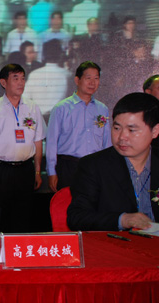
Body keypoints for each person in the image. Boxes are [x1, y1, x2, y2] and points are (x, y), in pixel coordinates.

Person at [67, 93, 159, 231]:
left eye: (131, 130)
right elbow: (77, 217)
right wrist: (122, 220)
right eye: (117, 128)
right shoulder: (93, 166)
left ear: (155, 131)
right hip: (116, 241)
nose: (122, 137)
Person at [0, 63, 46, 232]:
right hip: (0, 169)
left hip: (25, 169)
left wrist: (37, 171)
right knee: (1, 214)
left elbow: (38, 141)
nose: (20, 83)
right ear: (3, 82)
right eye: (15, 78)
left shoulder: (33, 107)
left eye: (22, 78)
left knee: (23, 214)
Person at [46, 61, 110, 193]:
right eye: (88, 78)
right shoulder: (61, 108)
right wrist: (51, 171)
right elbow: (51, 143)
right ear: (77, 80)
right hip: (69, 166)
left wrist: (107, 168)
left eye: (96, 78)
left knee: (94, 203)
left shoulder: (102, 109)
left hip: (95, 167)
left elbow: (107, 142)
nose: (92, 83)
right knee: (68, 204)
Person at [22, 39, 70, 117]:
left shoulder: (34, 74)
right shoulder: (67, 75)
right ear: (60, 55)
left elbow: (25, 99)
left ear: (43, 55)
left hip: (38, 118)